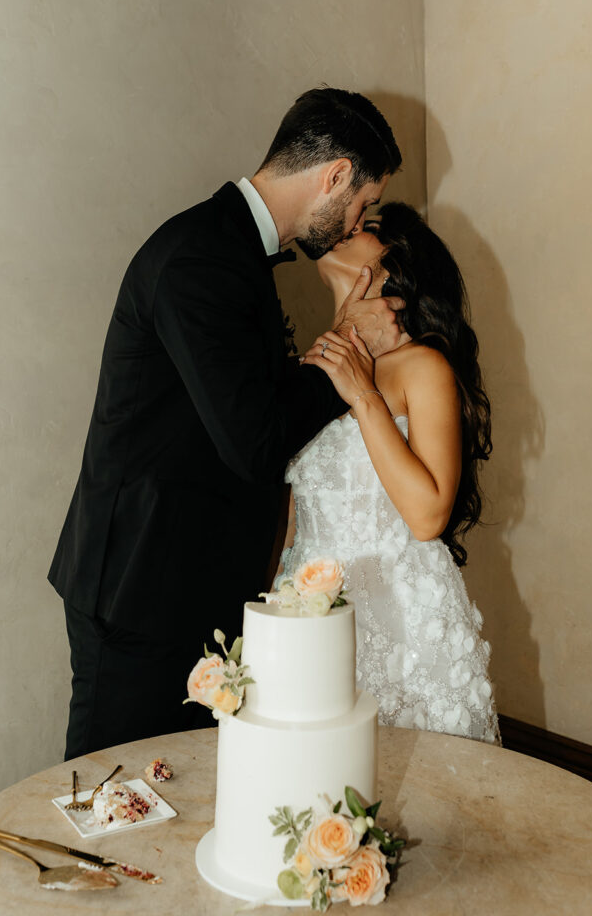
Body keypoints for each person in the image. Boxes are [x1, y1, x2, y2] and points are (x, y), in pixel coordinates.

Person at [48, 88, 406, 760]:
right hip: (141, 589)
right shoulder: (202, 257)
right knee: (112, 804)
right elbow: (254, 441)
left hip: (182, 580)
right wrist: (345, 352)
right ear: (333, 176)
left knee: (174, 802)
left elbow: (244, 404)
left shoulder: (227, 249)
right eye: (361, 202)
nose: (357, 220)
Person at [279, 202, 500, 743]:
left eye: (365, 230)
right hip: (311, 617)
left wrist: (363, 393)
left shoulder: (421, 365)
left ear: (397, 273)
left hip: (397, 625)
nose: (346, 231)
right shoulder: (316, 368)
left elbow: (428, 515)